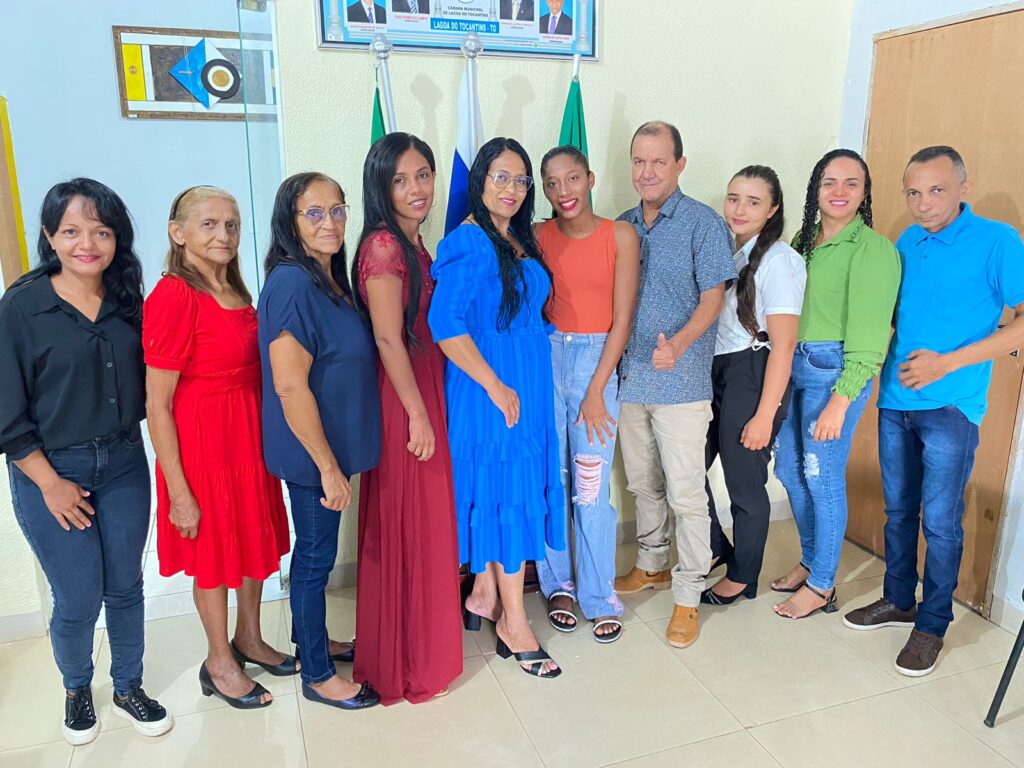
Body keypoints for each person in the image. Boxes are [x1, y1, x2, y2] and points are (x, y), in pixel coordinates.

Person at [0, 178, 172, 745]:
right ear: (50, 237)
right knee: (76, 597)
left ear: (116, 238)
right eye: (71, 231)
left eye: (101, 231)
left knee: (124, 586)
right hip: (50, 469)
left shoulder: (127, 299)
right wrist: (50, 485)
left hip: (123, 461)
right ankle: (77, 687)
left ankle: (128, 686)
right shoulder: (22, 307)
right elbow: (7, 414)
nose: (87, 244)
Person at [843, 146, 1024, 676]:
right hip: (895, 401)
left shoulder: (998, 241)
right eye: (914, 193)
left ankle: (932, 624)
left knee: (941, 522)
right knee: (898, 511)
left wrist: (947, 363)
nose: (923, 203)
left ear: (964, 188)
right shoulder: (908, 240)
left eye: (937, 190)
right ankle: (899, 599)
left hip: (951, 405)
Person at [144, 186, 294, 710]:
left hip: (248, 440)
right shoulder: (174, 296)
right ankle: (218, 660)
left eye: (231, 225)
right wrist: (179, 492)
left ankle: (249, 637)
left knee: (252, 540)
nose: (223, 234)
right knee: (213, 556)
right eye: (208, 224)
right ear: (178, 232)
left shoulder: (235, 289)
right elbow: (157, 404)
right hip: (204, 451)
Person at [429, 137, 565, 678]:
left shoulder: (515, 238)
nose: (512, 188)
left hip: (523, 383)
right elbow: (445, 323)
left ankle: (484, 593)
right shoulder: (469, 240)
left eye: (521, 179)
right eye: (500, 177)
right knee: (508, 495)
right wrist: (494, 384)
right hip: (490, 390)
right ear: (480, 180)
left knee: (503, 491)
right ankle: (515, 622)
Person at [258, 172, 382, 710]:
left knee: (318, 556)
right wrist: (328, 468)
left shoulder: (327, 278)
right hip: (312, 455)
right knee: (314, 559)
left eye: (337, 210)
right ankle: (317, 673)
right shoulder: (291, 284)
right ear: (290, 221)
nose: (330, 222)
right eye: (314, 212)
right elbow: (289, 386)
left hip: (331, 447)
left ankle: (313, 640)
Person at [612, 121, 737, 650]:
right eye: (639, 161)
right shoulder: (621, 225)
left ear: (680, 165)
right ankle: (652, 564)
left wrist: (679, 345)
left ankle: (687, 595)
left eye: (658, 161)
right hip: (630, 380)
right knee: (643, 484)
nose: (647, 172)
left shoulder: (703, 224)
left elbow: (714, 298)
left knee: (687, 496)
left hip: (681, 384)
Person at [351, 133, 462, 703]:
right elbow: (388, 338)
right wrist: (417, 414)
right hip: (404, 395)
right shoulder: (384, 247)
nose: (415, 188)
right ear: (381, 187)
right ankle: (406, 658)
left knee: (426, 517)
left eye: (422, 175)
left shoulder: (413, 242)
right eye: (399, 180)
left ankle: (420, 644)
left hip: (425, 384)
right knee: (410, 515)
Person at [771, 149, 901, 619]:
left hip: (834, 371)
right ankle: (811, 560)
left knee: (820, 475)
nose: (840, 191)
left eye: (852, 183)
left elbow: (871, 336)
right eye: (830, 182)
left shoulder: (873, 250)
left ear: (865, 192)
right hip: (790, 365)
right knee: (789, 470)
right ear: (815, 189)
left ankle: (823, 584)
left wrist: (840, 401)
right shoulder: (802, 241)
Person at [535, 146, 639, 643]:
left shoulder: (620, 235)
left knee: (590, 485)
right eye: (552, 183)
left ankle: (599, 594)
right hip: (545, 357)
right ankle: (557, 584)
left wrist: (597, 388)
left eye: (572, 178)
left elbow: (623, 319)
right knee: (550, 481)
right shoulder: (538, 235)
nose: (564, 191)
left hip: (596, 361)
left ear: (591, 178)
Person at [702, 166, 805, 606]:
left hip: (753, 370)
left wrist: (764, 415)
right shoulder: (731, 252)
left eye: (753, 201)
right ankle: (716, 547)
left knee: (744, 483)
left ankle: (743, 576)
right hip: (718, 369)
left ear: (773, 209)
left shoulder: (779, 260)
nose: (740, 209)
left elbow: (784, 345)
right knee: (686, 469)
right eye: (733, 198)